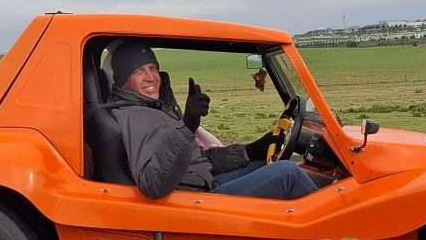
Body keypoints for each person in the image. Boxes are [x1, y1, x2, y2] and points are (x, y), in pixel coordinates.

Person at [106, 43, 317, 200]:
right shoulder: (135, 117)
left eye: (152, 68)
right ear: (124, 81)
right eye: (138, 71)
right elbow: (154, 184)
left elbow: (195, 161)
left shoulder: (152, 108)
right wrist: (187, 125)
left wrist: (250, 151)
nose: (151, 77)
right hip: (191, 203)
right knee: (288, 174)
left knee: (267, 164)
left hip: (201, 185)